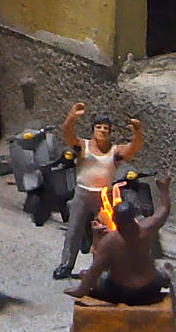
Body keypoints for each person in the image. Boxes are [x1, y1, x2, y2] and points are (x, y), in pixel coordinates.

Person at [57, 102, 142, 281]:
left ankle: (105, 267)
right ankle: (66, 265)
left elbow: (132, 149)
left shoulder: (114, 151)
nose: (102, 131)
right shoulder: (83, 146)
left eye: (106, 128)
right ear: (92, 130)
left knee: (106, 232)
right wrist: (71, 117)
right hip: (82, 194)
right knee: (74, 230)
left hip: (104, 196)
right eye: (98, 127)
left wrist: (137, 134)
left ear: (110, 132)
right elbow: (67, 133)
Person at [70, 173, 175, 306]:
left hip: (121, 292)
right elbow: (163, 210)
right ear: (134, 217)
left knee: (87, 275)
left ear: (114, 220)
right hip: (150, 287)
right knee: (162, 270)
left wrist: (79, 290)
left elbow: (95, 271)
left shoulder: (109, 242)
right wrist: (164, 189)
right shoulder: (147, 228)